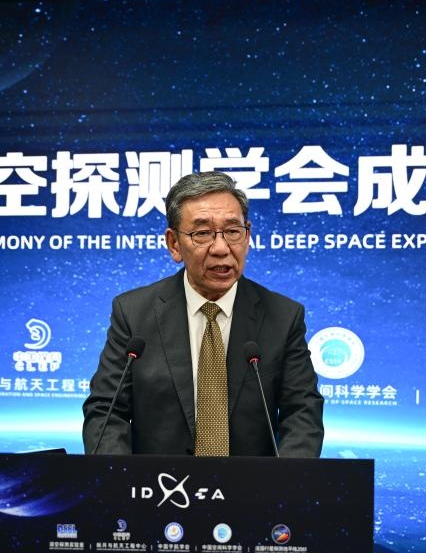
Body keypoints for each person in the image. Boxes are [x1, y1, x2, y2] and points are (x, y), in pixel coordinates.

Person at [82, 171, 324, 457]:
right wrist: (119, 477)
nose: (221, 248)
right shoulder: (133, 313)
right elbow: (107, 410)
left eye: (233, 231)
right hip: (157, 483)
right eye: (202, 233)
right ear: (174, 244)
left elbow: (302, 413)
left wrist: (287, 480)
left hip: (253, 484)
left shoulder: (283, 317)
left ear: (247, 236)